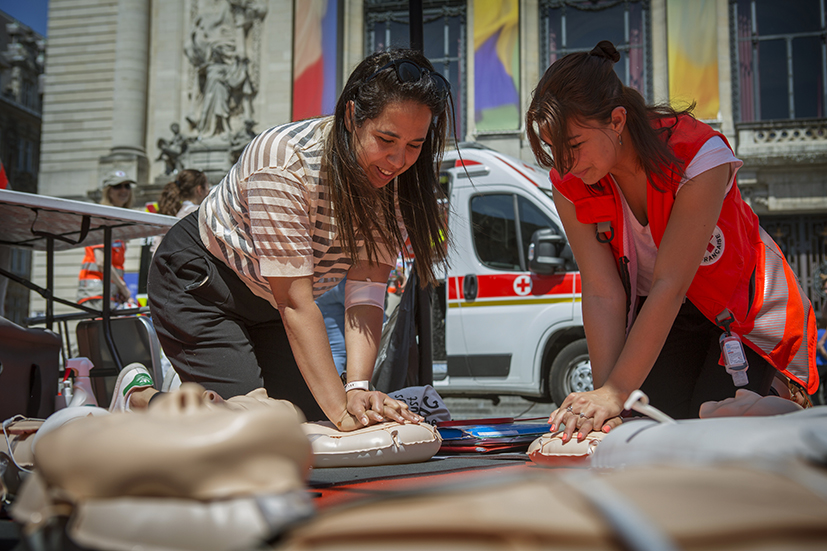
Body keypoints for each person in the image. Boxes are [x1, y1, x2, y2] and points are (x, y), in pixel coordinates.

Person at [141, 49, 451, 430]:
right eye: (386, 139)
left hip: (271, 302)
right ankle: (140, 399)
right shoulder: (285, 161)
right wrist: (341, 410)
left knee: (308, 423)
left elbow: (367, 290)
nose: (397, 160)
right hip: (203, 284)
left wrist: (355, 388)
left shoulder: (397, 186)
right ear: (352, 116)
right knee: (258, 428)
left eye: (414, 145)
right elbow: (294, 301)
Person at [526, 41, 818, 443]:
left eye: (573, 145)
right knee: (644, 430)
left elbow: (670, 282)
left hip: (744, 318)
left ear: (616, 120)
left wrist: (615, 392)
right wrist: (605, 400)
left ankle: (784, 400)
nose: (563, 163)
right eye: (551, 148)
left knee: (721, 429)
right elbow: (601, 291)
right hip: (665, 317)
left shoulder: (700, 155)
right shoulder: (569, 180)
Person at [76, 170, 135, 310]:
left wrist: (119, 288)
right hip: (95, 293)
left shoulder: (118, 220)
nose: (124, 190)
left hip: (108, 293)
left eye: (127, 186)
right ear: (108, 191)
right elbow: (101, 262)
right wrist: (124, 288)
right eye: (117, 186)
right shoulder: (101, 217)